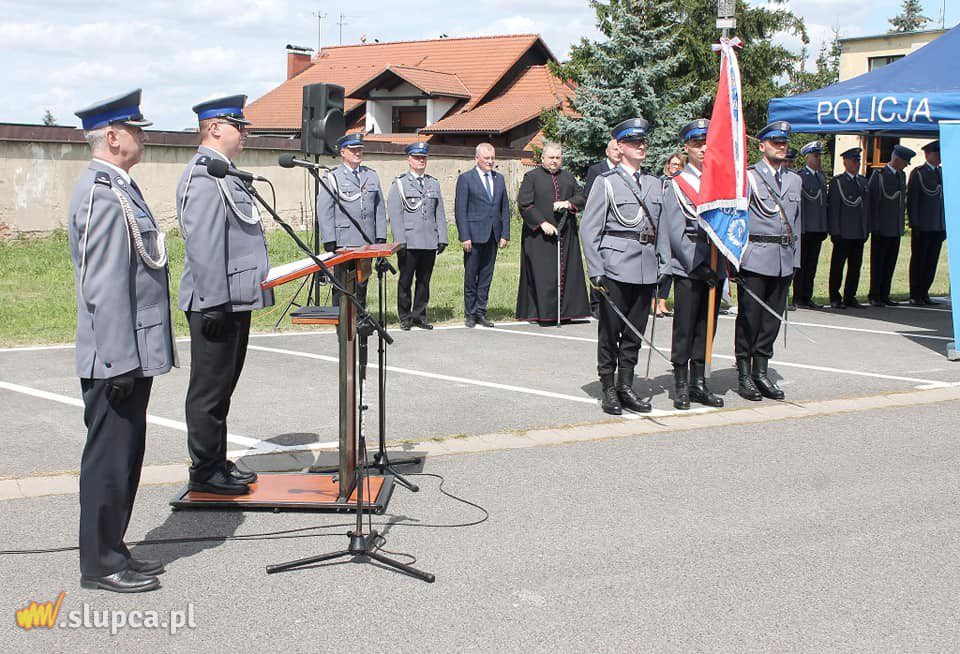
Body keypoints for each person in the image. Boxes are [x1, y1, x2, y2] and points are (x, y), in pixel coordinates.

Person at [69, 90, 176, 592]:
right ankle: (100, 563)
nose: (144, 136)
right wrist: (115, 361)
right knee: (109, 463)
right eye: (136, 129)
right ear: (112, 137)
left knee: (126, 458)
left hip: (130, 351)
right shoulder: (101, 193)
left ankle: (115, 548)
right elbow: (104, 284)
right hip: (116, 355)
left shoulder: (119, 188)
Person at [177, 95, 274, 496]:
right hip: (215, 302)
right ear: (215, 128)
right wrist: (214, 300)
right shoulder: (203, 176)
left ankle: (215, 460)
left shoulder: (226, 174)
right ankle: (204, 469)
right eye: (240, 125)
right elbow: (202, 245)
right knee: (209, 390)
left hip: (235, 298)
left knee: (223, 387)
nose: (246, 132)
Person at [580, 117, 668, 415]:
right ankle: (608, 389)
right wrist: (596, 271)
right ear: (619, 147)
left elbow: (662, 229)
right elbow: (589, 230)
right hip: (615, 267)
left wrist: (663, 265)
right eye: (634, 142)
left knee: (634, 333)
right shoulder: (607, 183)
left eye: (643, 142)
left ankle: (626, 386)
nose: (641, 146)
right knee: (610, 332)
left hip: (645, 268)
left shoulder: (655, 184)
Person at [735, 120, 801, 401]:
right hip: (755, 258)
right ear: (762, 146)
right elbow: (737, 221)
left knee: (772, 319)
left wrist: (795, 261)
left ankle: (761, 371)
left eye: (784, 142)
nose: (781, 147)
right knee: (750, 318)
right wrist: (735, 261)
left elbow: (797, 224)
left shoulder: (795, 180)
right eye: (775, 142)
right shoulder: (748, 178)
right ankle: (744, 373)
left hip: (783, 259)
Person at [662, 119, 724, 410]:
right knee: (685, 326)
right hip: (689, 266)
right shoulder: (678, 184)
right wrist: (697, 263)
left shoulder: (719, 181)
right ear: (686, 147)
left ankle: (700, 382)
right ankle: (681, 384)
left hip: (716, 262)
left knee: (706, 326)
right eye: (697, 143)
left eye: (706, 142)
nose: (703, 148)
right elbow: (675, 231)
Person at [515, 141, 590, 324]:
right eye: (551, 157)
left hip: (566, 234)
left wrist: (569, 203)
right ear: (542, 158)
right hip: (539, 236)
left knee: (567, 273)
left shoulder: (568, 177)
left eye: (558, 158)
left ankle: (566, 313)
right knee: (543, 275)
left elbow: (582, 197)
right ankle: (543, 314)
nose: (555, 161)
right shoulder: (531, 177)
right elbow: (525, 203)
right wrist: (541, 223)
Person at [317, 133, 388, 305]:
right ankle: (342, 320)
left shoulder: (371, 175)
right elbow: (325, 210)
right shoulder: (332, 177)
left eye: (359, 149)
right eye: (353, 149)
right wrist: (329, 239)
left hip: (366, 239)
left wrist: (380, 236)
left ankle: (360, 318)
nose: (357, 152)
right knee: (343, 283)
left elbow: (379, 207)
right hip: (344, 240)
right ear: (342, 152)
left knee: (362, 281)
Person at [387, 142, 448, 329]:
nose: (421, 161)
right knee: (405, 281)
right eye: (417, 157)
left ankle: (419, 315)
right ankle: (405, 317)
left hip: (429, 240)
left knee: (424, 281)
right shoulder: (400, 183)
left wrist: (442, 237)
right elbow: (395, 215)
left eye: (423, 157)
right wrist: (400, 241)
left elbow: (439, 213)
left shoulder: (433, 183)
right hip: (409, 241)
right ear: (409, 159)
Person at [454, 143, 510, 328]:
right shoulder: (466, 179)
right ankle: (470, 313)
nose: (490, 161)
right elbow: (460, 210)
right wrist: (464, 236)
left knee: (486, 276)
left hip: (493, 235)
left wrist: (505, 234)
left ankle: (481, 312)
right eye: (486, 158)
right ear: (477, 158)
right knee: (471, 276)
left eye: (492, 158)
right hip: (473, 235)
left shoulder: (499, 179)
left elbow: (504, 209)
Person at [867, 143, 915, 307]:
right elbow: (873, 202)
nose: (905, 166)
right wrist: (875, 225)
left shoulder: (901, 176)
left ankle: (884, 294)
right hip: (881, 227)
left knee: (890, 263)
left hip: (894, 227)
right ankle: (874, 294)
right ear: (896, 158)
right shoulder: (879, 175)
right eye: (904, 162)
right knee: (878, 263)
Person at [583, 139, 622, 319]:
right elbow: (591, 198)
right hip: (601, 224)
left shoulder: (625, 172)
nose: (618, 153)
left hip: (619, 227)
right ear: (607, 151)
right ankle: (597, 303)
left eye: (620, 149)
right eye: (615, 149)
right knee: (598, 264)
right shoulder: (596, 170)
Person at [827, 147, 869, 309]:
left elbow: (866, 210)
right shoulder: (838, 182)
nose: (856, 164)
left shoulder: (863, 182)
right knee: (838, 267)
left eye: (858, 160)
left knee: (855, 267)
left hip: (858, 232)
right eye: (853, 160)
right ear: (845, 162)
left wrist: (865, 229)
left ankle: (850, 295)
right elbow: (834, 208)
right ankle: (835, 297)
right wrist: (835, 231)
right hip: (843, 232)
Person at [793, 140, 829, 309]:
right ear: (807, 158)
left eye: (819, 156)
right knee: (802, 265)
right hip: (805, 229)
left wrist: (824, 227)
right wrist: (802, 228)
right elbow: (801, 207)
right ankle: (799, 297)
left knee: (812, 266)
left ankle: (808, 296)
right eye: (815, 156)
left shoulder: (821, 177)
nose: (818, 159)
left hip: (817, 228)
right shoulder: (800, 177)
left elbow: (822, 205)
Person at [908, 140, 944, 305]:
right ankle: (916, 293)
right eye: (936, 153)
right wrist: (915, 224)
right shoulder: (919, 173)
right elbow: (913, 201)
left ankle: (924, 292)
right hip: (923, 225)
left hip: (937, 225)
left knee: (931, 261)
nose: (939, 156)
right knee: (919, 260)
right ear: (927, 154)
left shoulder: (942, 173)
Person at [653, 153, 685, 318]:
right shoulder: (661, 182)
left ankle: (663, 302)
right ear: (668, 165)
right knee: (660, 267)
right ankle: (654, 301)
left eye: (679, 165)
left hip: (675, 230)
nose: (676, 167)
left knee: (671, 269)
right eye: (673, 164)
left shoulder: (683, 184)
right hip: (661, 228)